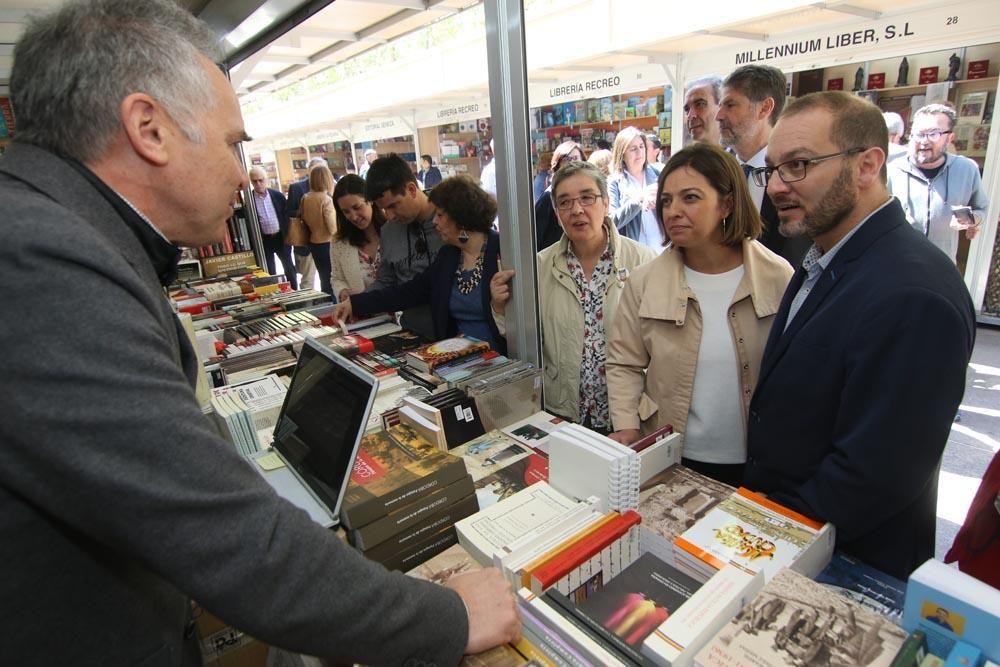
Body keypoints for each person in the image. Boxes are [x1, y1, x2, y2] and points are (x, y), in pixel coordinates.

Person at [0, 1, 519, 665]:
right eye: (232, 142)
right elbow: (224, 535)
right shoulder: (40, 263)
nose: (247, 173)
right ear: (148, 127)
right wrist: (446, 617)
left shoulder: (52, 233)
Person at [744, 91, 975, 580]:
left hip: (846, 563)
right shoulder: (824, 255)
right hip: (796, 541)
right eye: (773, 170)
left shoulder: (914, 292)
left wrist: (769, 537)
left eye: (799, 165)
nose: (779, 186)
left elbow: (876, 472)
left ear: (868, 165)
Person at [605, 143, 792, 486]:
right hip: (669, 455)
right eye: (666, 200)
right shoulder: (645, 281)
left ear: (727, 203)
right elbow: (624, 363)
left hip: (756, 463)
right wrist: (627, 426)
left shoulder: (778, 277)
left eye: (690, 197)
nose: (673, 211)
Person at [492, 162, 656, 432]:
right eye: (565, 203)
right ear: (556, 214)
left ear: (606, 203)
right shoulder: (539, 267)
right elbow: (522, 338)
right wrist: (501, 307)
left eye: (587, 198)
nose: (577, 209)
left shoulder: (643, 262)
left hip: (627, 418)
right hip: (563, 412)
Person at [334, 175, 505, 351]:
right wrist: (355, 303)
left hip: (499, 357)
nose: (435, 221)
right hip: (458, 357)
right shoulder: (449, 256)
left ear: (460, 217)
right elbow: (409, 292)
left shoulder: (501, 252)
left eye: (440, 214)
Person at [718, 65, 810, 267]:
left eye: (730, 105)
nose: (719, 115)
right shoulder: (715, 171)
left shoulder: (799, 174)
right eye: (720, 105)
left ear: (764, 108)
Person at [888, 103, 989, 264]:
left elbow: (982, 208)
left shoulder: (966, 170)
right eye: (918, 134)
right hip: (898, 266)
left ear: (949, 138)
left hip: (942, 268)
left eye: (933, 134)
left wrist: (972, 220)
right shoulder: (892, 171)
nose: (924, 141)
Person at [363, 153, 444, 339]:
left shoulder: (450, 218)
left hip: (459, 338)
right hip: (413, 336)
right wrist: (358, 302)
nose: (389, 215)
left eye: (393, 206)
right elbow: (386, 281)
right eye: (384, 209)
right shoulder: (388, 232)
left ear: (412, 189)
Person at [330, 174, 385, 303]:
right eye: (346, 212)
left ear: (370, 200)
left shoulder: (393, 232)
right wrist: (343, 291)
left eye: (357, 207)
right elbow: (337, 278)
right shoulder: (339, 243)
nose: (353, 217)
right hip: (362, 317)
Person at [608, 126, 664, 250]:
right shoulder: (614, 182)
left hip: (662, 250)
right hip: (634, 255)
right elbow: (610, 222)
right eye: (633, 149)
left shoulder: (659, 174)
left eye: (641, 146)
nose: (639, 152)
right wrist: (638, 201)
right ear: (622, 154)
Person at [248, 166, 297, 288]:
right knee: (269, 270)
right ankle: (274, 293)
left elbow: (286, 216)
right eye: (254, 181)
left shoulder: (277, 195)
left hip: (281, 237)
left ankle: (294, 290)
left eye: (261, 180)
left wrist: (288, 235)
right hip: (264, 240)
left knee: (289, 267)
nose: (258, 184)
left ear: (266, 180)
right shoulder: (249, 200)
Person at [535, 140, 586, 251]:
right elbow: (535, 238)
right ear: (558, 164)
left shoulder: (588, 195)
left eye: (576, 158)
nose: (572, 163)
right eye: (567, 159)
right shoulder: (548, 198)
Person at [286, 156, 327, 290]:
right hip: (306, 241)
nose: (319, 174)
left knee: (327, 278)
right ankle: (309, 305)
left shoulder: (329, 186)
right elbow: (289, 212)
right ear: (309, 171)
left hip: (326, 242)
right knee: (308, 278)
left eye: (322, 170)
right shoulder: (297, 188)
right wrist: (307, 210)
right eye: (316, 170)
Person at [299, 164, 338, 296]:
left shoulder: (306, 198)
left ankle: (327, 302)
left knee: (323, 277)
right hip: (327, 243)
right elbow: (332, 227)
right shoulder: (326, 199)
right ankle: (334, 304)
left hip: (314, 242)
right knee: (333, 278)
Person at [684, 75, 724, 145]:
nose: (690, 116)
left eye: (700, 104)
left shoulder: (743, 154)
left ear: (721, 108)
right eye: (687, 109)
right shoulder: (685, 155)